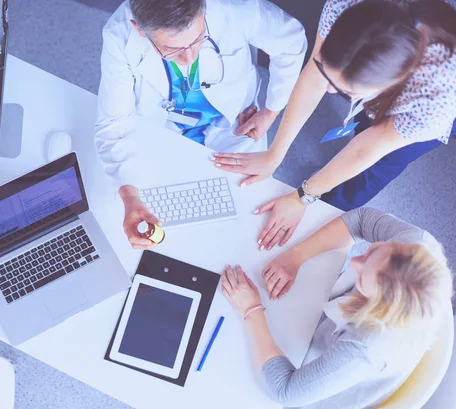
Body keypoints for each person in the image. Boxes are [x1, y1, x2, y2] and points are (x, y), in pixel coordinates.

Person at [212, 0, 456, 251]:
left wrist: (302, 198)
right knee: (360, 123)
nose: (328, 89)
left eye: (343, 90)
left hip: (435, 101)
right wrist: (274, 153)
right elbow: (315, 75)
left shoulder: (438, 100)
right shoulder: (344, 5)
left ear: (391, 83)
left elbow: (369, 149)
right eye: (328, 74)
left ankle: (328, 204)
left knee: (378, 166)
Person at [95, 0, 307, 249]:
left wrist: (272, 109)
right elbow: (113, 121)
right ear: (139, 30)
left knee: (241, 220)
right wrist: (129, 196)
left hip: (236, 126)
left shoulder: (234, 8)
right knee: (162, 219)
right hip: (163, 128)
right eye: (171, 50)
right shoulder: (119, 35)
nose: (189, 57)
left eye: (198, 39)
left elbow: (291, 42)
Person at [221, 207, 453, 408]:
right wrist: (295, 256)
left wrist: (251, 310)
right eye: (372, 251)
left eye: (362, 280)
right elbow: (361, 219)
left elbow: (287, 391)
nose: (354, 261)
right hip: (327, 325)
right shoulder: (417, 243)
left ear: (378, 307)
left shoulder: (365, 348)